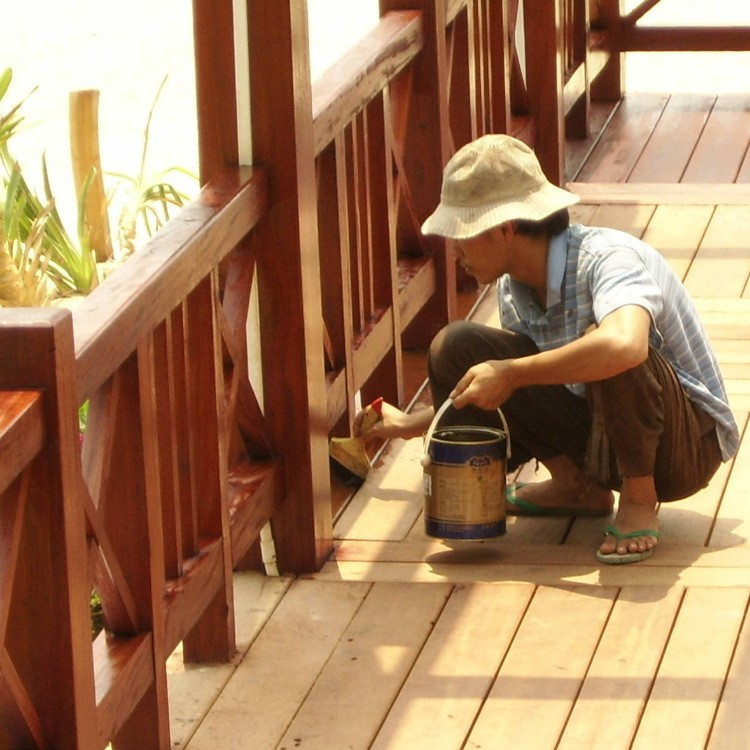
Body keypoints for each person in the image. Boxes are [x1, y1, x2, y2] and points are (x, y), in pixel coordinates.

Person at [357, 133, 738, 564]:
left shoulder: (607, 258)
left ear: (504, 229)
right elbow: (521, 383)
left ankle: (638, 498)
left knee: (605, 341)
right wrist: (412, 425)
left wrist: (513, 373)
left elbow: (626, 347)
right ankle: (576, 485)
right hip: (603, 430)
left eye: (461, 233)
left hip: (683, 448)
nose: (456, 250)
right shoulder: (512, 289)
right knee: (457, 346)